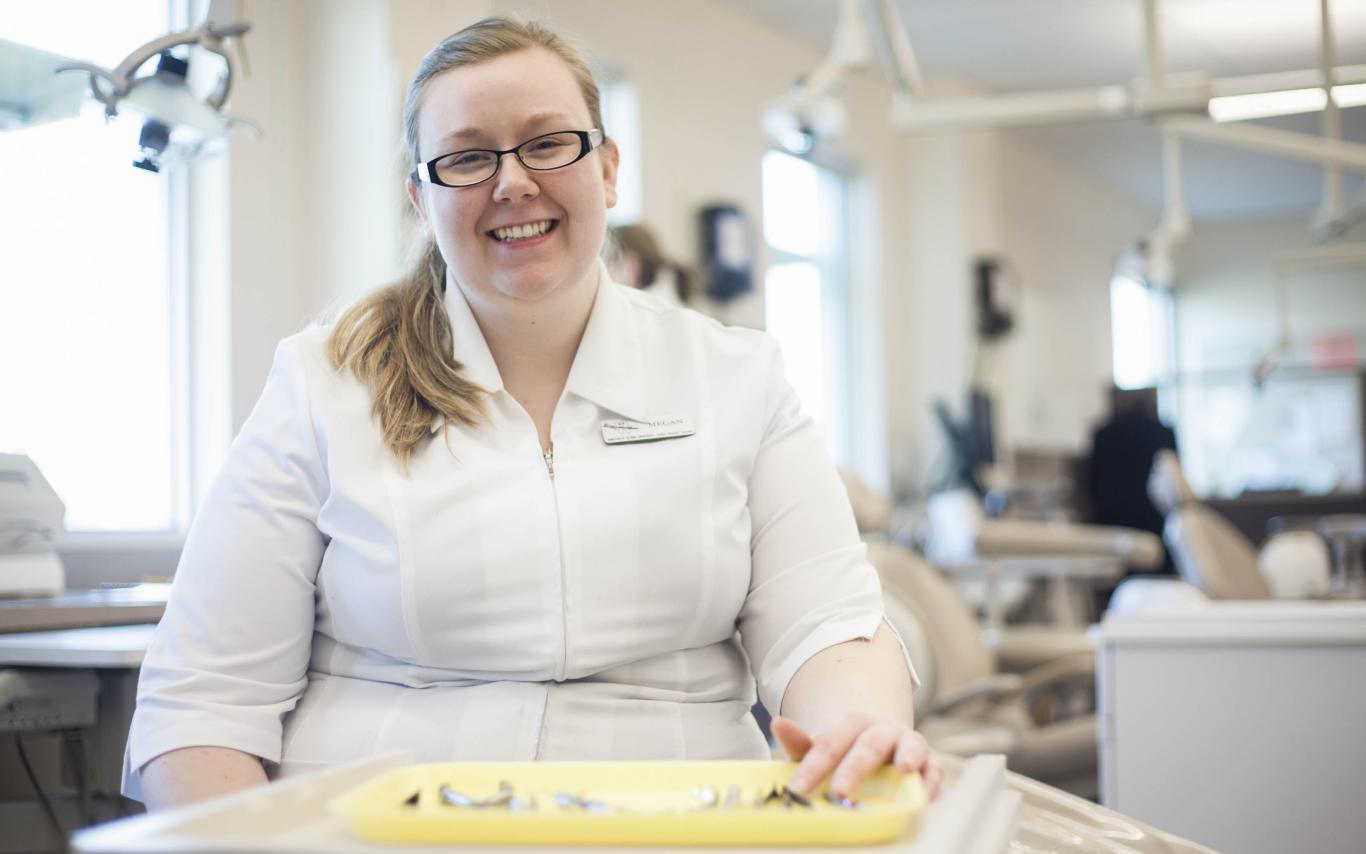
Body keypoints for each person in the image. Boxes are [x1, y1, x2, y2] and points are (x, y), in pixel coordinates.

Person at [125, 17, 941, 811]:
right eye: (468, 157)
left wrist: (859, 734)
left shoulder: (736, 377)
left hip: (679, 828)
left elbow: (827, 624)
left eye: (548, 143)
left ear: (609, 168)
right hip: (375, 834)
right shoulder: (324, 381)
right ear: (421, 196)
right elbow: (204, 697)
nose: (512, 181)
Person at [1087, 386, 1179, 612]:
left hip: (1112, 525)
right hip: (1153, 524)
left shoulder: (1102, 435)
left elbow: (1092, 484)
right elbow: (1173, 480)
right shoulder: (1164, 432)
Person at [606, 223, 695, 307]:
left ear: (633, 263)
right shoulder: (666, 288)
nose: (608, 272)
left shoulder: (653, 304)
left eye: (613, 262)